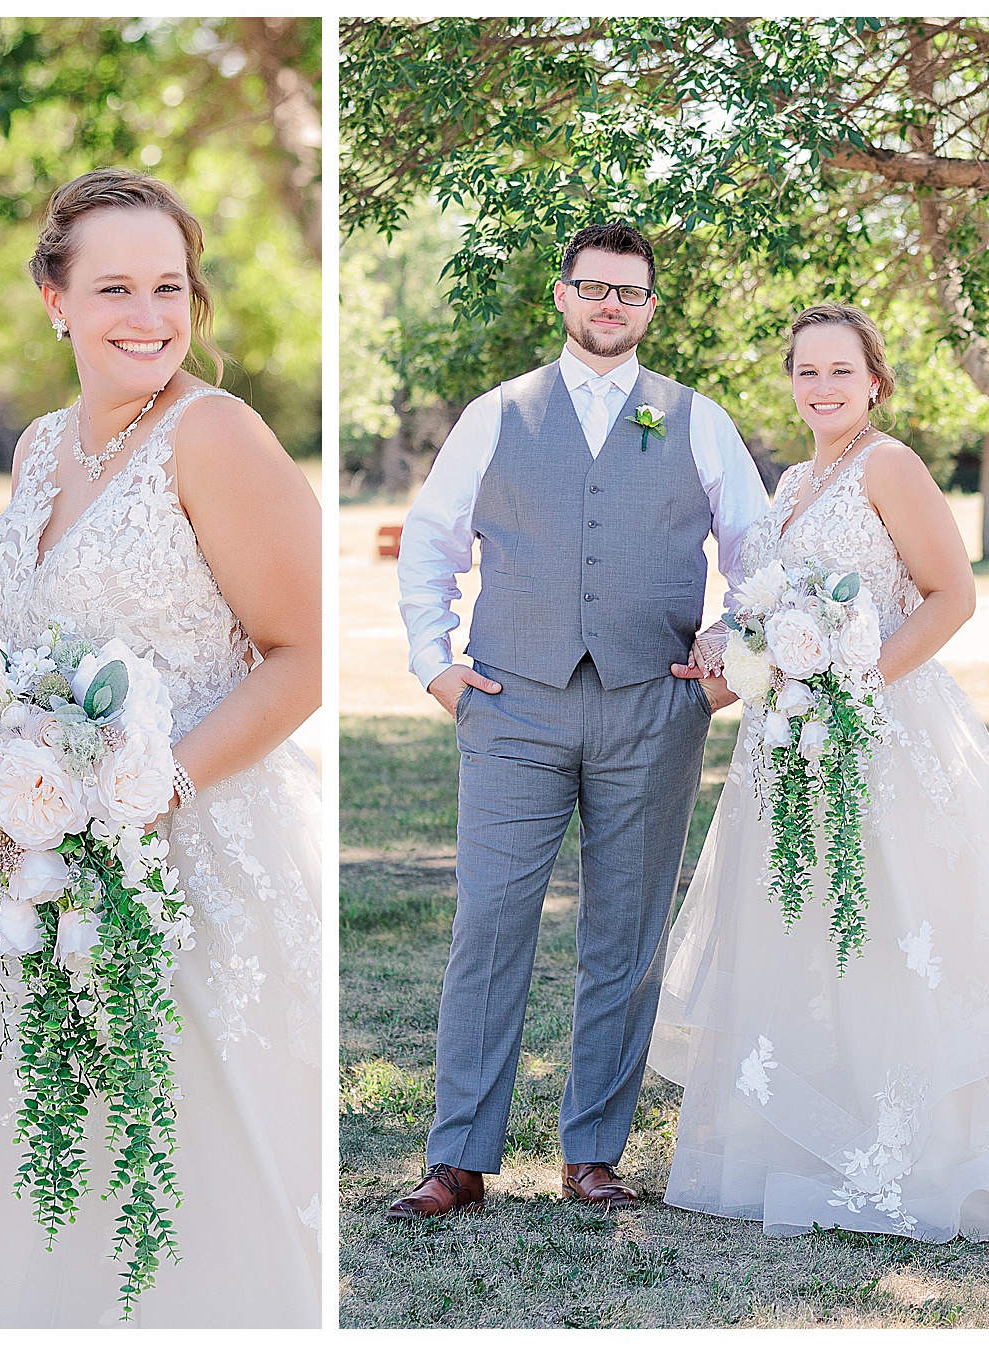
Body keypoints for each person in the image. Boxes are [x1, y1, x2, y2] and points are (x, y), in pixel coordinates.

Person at [0, 167, 324, 1327]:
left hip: (193, 855)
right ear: (54, 297)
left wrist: (156, 787)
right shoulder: (47, 445)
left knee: (186, 1150)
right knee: (63, 1153)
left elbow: (300, 653)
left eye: (170, 286)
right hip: (47, 870)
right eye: (114, 287)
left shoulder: (217, 435)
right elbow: (43, 647)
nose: (148, 315)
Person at [650, 304, 989, 1251]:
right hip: (796, 744)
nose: (821, 386)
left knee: (917, 928)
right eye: (805, 370)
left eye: (840, 370)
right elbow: (772, 610)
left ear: (874, 380)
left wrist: (851, 682)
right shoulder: (789, 484)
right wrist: (734, 652)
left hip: (883, 727)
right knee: (824, 930)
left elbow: (952, 594)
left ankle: (945, 1147)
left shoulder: (891, 465)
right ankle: (839, 1138)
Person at [389, 222, 768, 1220]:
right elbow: (430, 541)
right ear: (562, 296)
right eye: (594, 288)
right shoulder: (497, 413)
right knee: (490, 922)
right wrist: (438, 666)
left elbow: (759, 556)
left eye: (629, 293)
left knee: (625, 935)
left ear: (649, 309)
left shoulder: (694, 419)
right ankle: (460, 1157)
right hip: (514, 704)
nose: (611, 305)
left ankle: (593, 1153)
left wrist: (730, 655)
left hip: (656, 704)